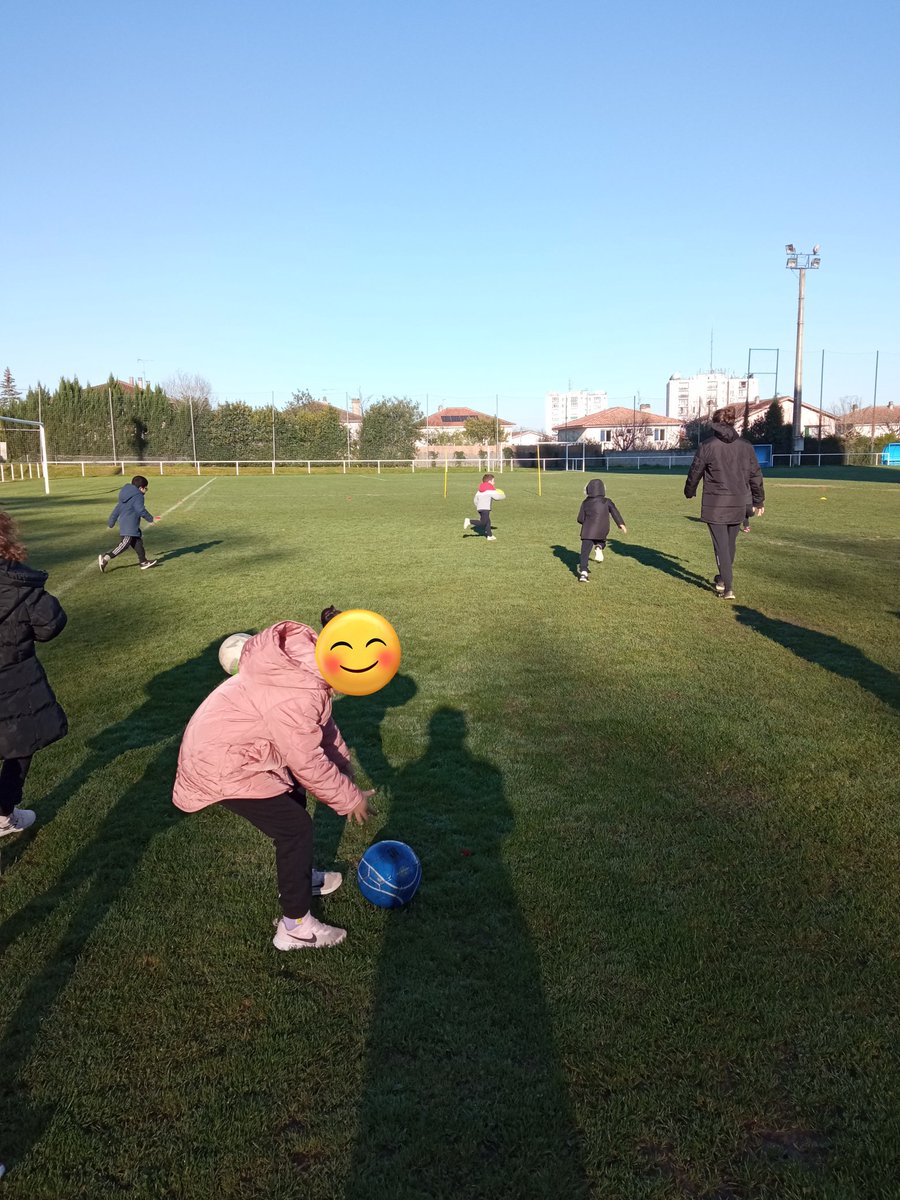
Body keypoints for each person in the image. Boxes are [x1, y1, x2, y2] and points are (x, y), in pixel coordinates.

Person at [172, 611, 374, 950]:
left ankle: (298, 879)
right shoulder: (298, 691)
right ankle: (295, 927)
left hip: (240, 752)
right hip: (222, 763)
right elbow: (306, 760)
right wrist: (349, 798)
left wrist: (344, 773)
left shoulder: (306, 666)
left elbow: (322, 729)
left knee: (293, 795)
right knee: (294, 827)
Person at [0, 512, 68, 838]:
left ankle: (4, 813)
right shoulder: (17, 585)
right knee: (19, 745)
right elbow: (50, 624)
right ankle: (3, 811)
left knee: (18, 743)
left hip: (13, 685)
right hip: (14, 686)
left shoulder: (20, 585)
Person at [684, 405, 765, 599]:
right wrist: (758, 500)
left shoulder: (707, 446)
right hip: (738, 502)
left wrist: (689, 490)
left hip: (716, 504)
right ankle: (722, 579)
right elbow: (756, 475)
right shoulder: (746, 446)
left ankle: (728, 588)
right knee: (729, 544)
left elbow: (695, 471)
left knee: (721, 546)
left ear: (715, 424)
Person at [99, 474, 160, 572]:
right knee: (124, 544)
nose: (146, 491)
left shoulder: (125, 495)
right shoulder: (139, 496)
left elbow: (117, 509)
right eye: (146, 488)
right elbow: (140, 510)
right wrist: (151, 519)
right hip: (129, 525)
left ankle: (143, 562)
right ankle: (105, 558)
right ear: (141, 488)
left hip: (128, 524)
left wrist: (111, 522)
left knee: (138, 543)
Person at [576, 479, 627, 583]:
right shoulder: (607, 501)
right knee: (601, 540)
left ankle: (583, 573)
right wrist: (621, 524)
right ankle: (599, 546)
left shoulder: (585, 502)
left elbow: (580, 518)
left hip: (587, 531)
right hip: (602, 529)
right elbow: (615, 512)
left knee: (584, 553)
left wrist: (586, 522)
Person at [463, 473, 505, 541]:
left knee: (488, 521)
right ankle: (469, 521)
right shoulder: (490, 489)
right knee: (484, 522)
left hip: (480, 508)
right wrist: (503, 495)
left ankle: (489, 535)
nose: (494, 483)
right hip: (485, 508)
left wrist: (478, 506)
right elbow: (497, 497)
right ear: (489, 482)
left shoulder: (479, 490)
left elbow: (475, 500)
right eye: (493, 481)